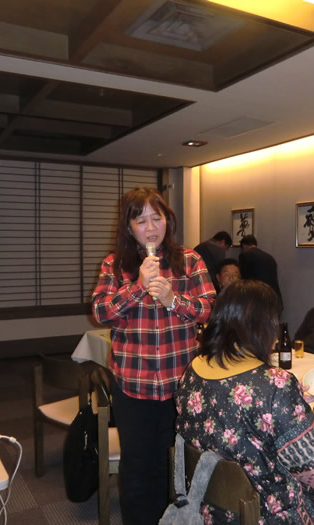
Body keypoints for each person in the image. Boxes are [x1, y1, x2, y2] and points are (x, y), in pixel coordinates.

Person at [174, 280, 314, 524]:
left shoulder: (194, 369)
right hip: (268, 514)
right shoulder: (274, 384)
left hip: (211, 508)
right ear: (264, 326)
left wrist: (294, 403)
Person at [92, 187, 216, 525]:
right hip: (134, 386)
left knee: (175, 467)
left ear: (168, 221)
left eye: (156, 218)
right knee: (136, 468)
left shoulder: (189, 260)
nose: (150, 228)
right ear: (129, 227)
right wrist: (136, 287)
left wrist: (174, 300)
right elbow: (100, 312)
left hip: (181, 387)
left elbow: (211, 308)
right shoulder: (115, 264)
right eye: (141, 220)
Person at [238, 234, 282, 308]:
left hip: (257, 300)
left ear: (244, 246)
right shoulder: (269, 257)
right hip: (274, 298)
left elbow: (244, 280)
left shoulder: (245, 256)